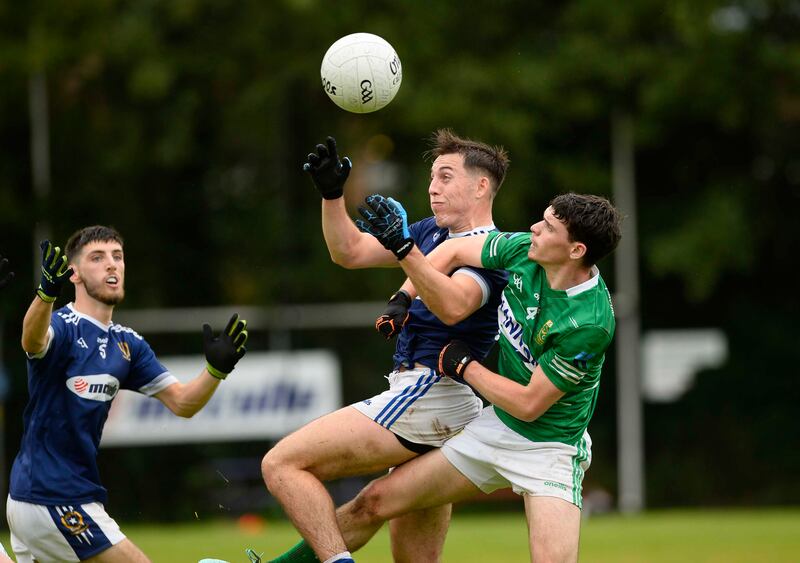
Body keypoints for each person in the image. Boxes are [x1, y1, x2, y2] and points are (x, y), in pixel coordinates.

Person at [314, 191, 623, 563]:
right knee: (373, 503)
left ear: (575, 251)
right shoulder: (525, 249)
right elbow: (454, 252)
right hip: (496, 428)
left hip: (550, 448)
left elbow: (529, 405)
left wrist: (466, 367)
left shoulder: (589, 323)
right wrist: (403, 296)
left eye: (548, 227)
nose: (534, 228)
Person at [261, 130, 510, 563]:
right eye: (433, 177)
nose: (433, 187)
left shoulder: (491, 249)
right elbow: (350, 251)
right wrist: (332, 195)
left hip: (432, 393)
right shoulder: (432, 232)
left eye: (446, 177)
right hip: (439, 402)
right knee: (375, 513)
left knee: (282, 464)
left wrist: (403, 248)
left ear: (481, 186)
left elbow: (454, 306)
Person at [6, 226, 249, 563]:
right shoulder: (62, 324)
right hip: (52, 496)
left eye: (117, 257)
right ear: (72, 273)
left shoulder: (128, 344)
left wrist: (215, 371)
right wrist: (46, 293)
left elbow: (182, 402)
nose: (112, 265)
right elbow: (31, 341)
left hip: (46, 498)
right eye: (97, 257)